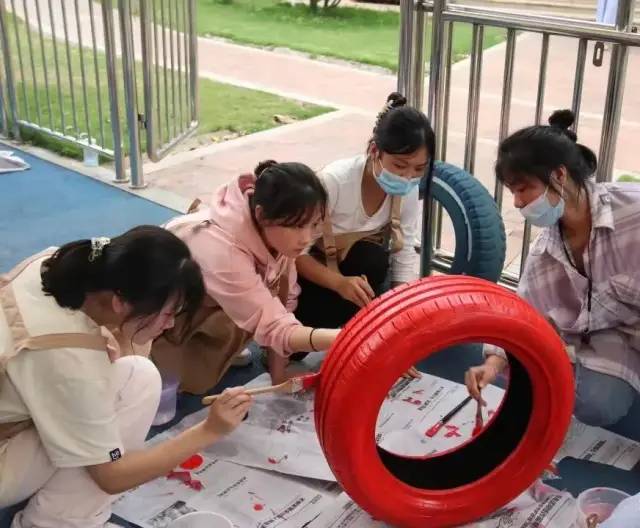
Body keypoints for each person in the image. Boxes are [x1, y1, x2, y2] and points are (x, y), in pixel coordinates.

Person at [0, 226, 252, 528]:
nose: (170, 325)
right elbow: (112, 477)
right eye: (167, 313)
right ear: (120, 302)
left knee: (133, 375)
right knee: (137, 380)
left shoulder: (58, 264)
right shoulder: (69, 361)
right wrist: (209, 430)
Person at [465, 109, 640, 428]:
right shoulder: (546, 252)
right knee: (596, 402)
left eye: (523, 189)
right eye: (513, 192)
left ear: (559, 175)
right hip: (613, 336)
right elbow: (522, 313)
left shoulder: (633, 212)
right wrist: (492, 364)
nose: (517, 203)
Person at [151, 161, 342, 388]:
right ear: (261, 215)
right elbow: (273, 324)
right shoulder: (223, 252)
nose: (306, 238)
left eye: (314, 225)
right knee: (180, 382)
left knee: (262, 301)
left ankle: (216, 344)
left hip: (208, 292)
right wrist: (341, 339)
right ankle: (157, 353)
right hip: (159, 304)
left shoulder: (277, 236)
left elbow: (283, 305)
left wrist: (278, 374)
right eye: (297, 226)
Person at [293, 93, 434, 350]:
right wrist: (338, 283)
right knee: (295, 347)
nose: (407, 177)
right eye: (399, 165)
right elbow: (294, 255)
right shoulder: (334, 182)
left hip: (352, 272)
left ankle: (347, 334)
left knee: (373, 260)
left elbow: (404, 252)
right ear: (374, 151)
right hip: (308, 273)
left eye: (419, 169)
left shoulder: (408, 191)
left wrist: (399, 312)